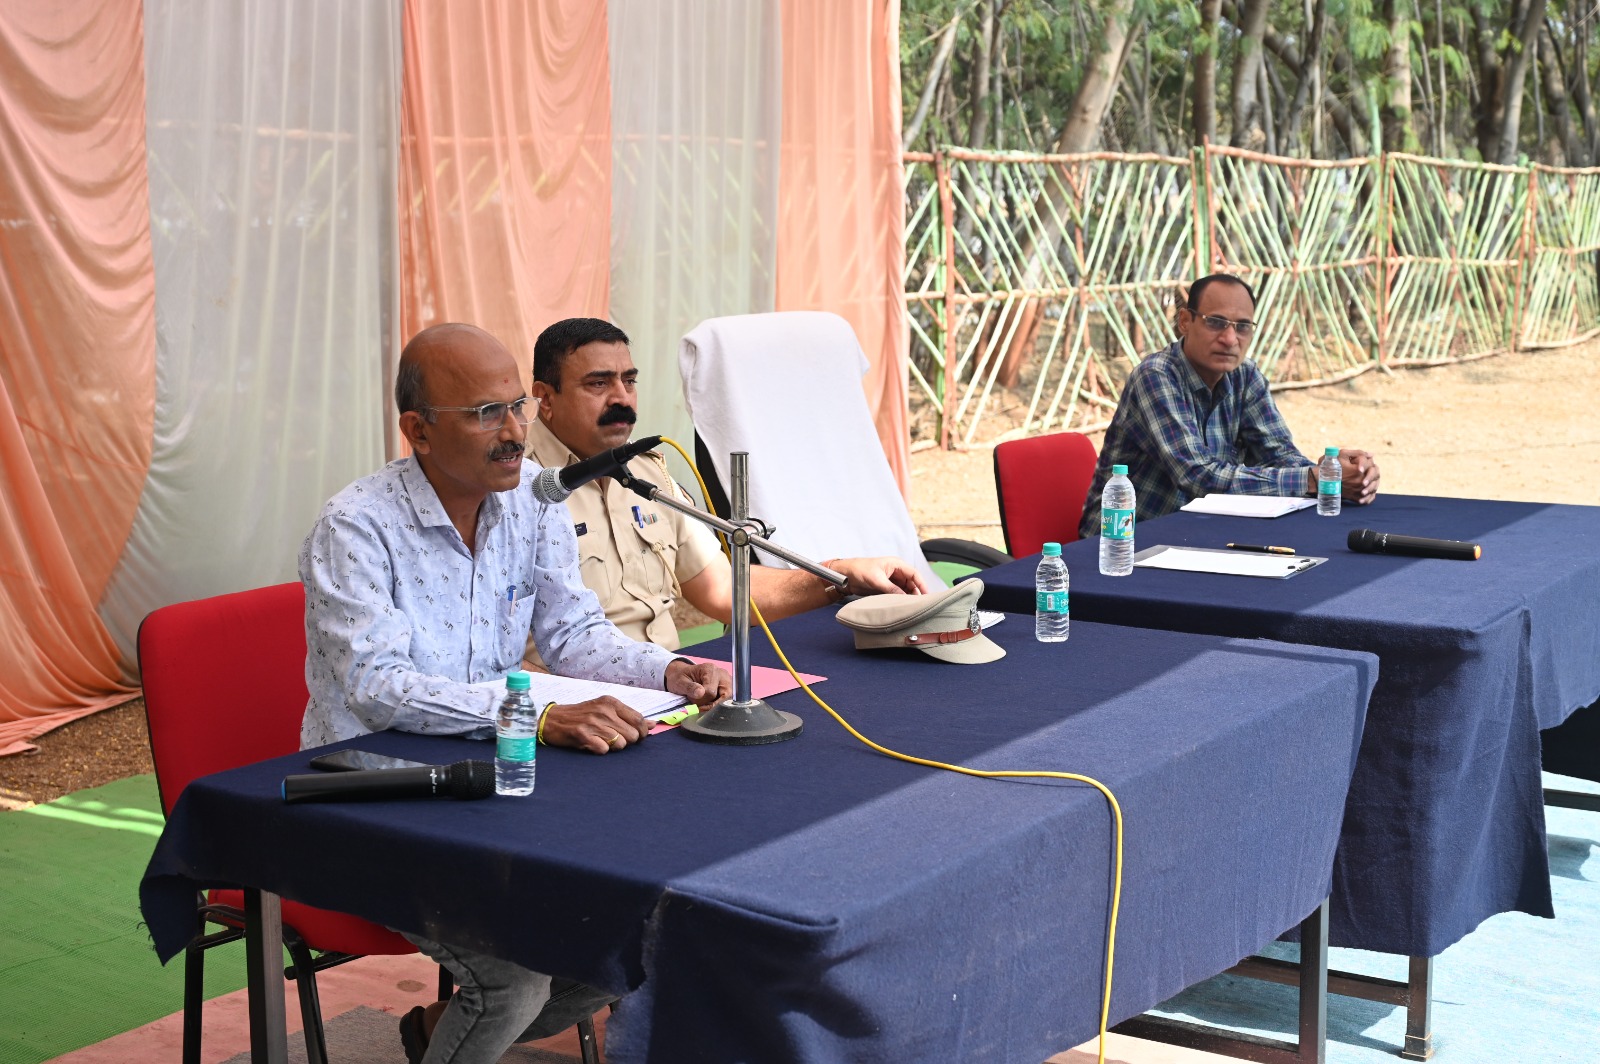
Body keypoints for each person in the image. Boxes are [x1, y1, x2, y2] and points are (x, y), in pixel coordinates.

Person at [299, 322, 731, 1064]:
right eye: (484, 413)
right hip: (369, 795)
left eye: (516, 408)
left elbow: (574, 633)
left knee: (634, 925)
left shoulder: (533, 499)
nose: (512, 432)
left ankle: (438, 1037)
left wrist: (666, 671)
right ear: (418, 431)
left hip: (496, 782)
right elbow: (377, 689)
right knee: (513, 981)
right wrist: (535, 715)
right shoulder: (356, 527)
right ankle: (459, 1030)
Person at [522, 317, 925, 665]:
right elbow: (494, 655)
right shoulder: (515, 488)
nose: (621, 398)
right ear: (545, 398)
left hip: (668, 685)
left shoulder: (647, 475)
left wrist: (840, 575)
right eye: (598, 383)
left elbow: (723, 589)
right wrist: (555, 710)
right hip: (579, 706)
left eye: (629, 381)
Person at [1079, 273, 1380, 538]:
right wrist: (1314, 479)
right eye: (1216, 322)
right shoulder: (1157, 377)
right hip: (1126, 544)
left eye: (1243, 326)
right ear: (1185, 322)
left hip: (1202, 536)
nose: (1230, 338)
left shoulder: (1245, 376)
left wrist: (1336, 474)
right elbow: (1198, 476)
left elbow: (1278, 454)